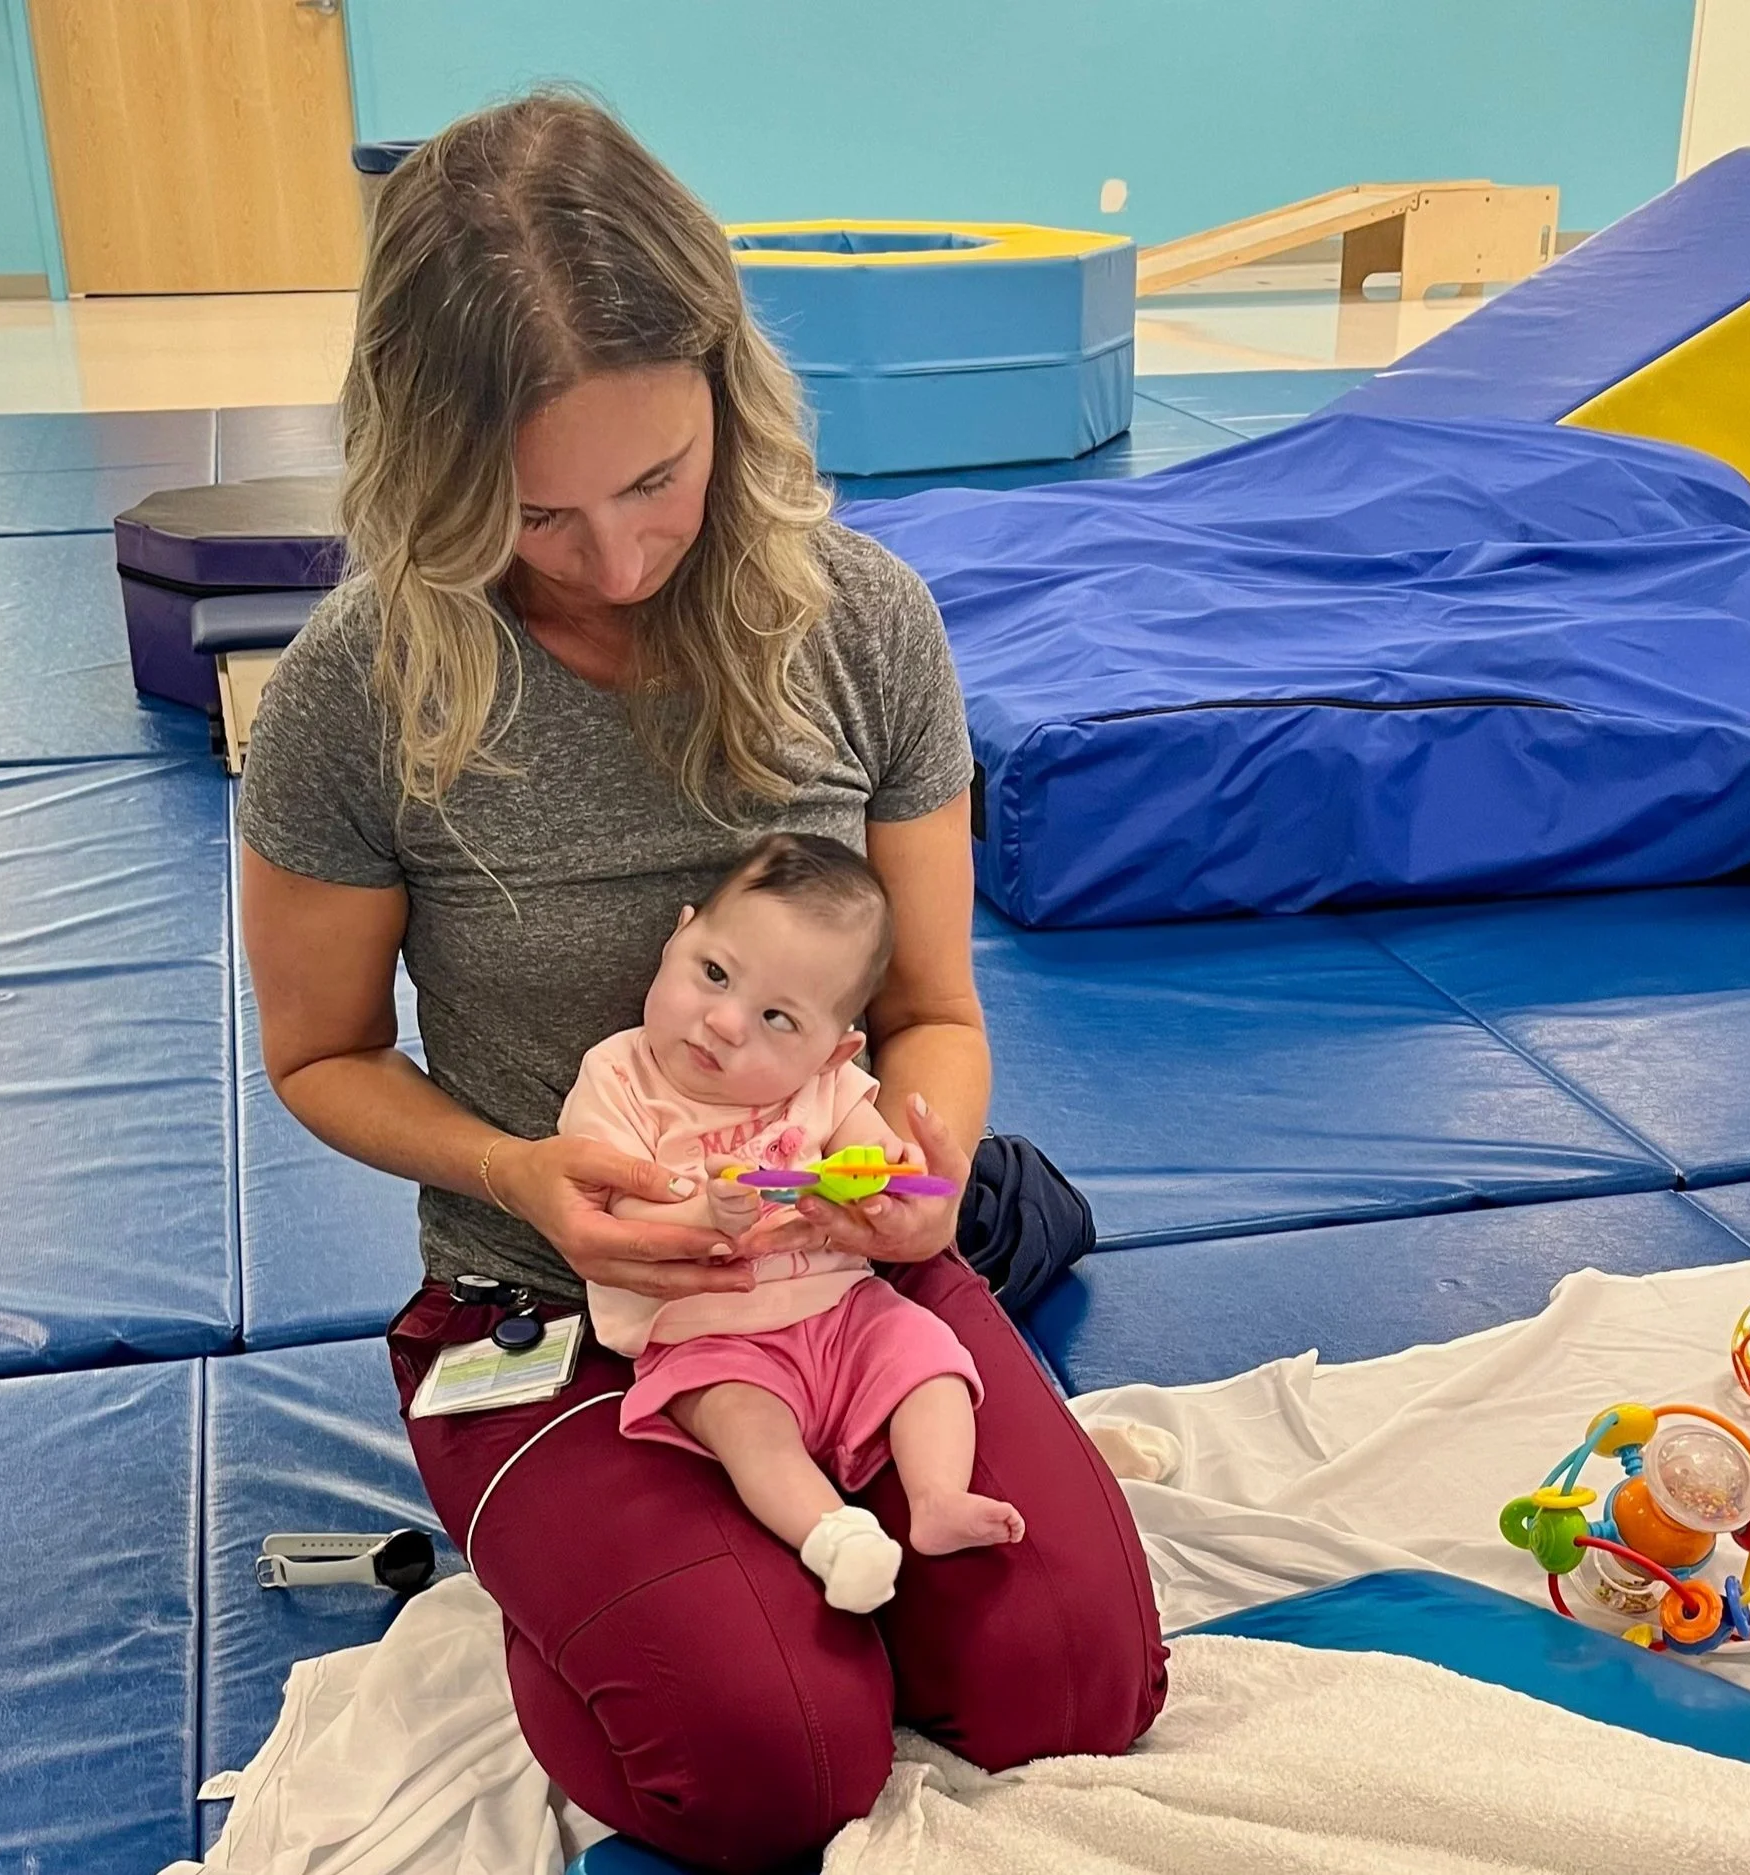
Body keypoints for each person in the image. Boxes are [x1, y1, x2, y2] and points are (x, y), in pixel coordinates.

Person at [236, 89, 1166, 1871]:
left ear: (729, 385)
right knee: (765, 1763)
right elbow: (320, 1053)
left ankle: (973, 1267)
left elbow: (934, 1014)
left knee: (1072, 1684)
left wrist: (922, 1176)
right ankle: (596, 1561)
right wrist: (524, 1176)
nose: (617, 560)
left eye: (657, 479)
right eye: (536, 514)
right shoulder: (360, 685)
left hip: (838, 1276)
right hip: (544, 1304)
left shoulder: (863, 621)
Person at [565, 833, 1021, 1617]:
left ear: (832, 1051)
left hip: (842, 1311)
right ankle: (833, 1534)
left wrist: (892, 1181)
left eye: (777, 1017)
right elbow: (618, 1212)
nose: (725, 1022)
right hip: (709, 1334)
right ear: (678, 936)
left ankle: (938, 1495)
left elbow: (877, 1159)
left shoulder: (825, 1088)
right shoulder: (619, 1077)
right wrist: (705, 1211)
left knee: (929, 1357)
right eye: (714, 973)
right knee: (747, 1425)